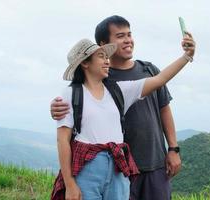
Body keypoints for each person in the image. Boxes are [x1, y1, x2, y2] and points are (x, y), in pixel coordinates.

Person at [51, 15, 195, 200]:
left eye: (129, 34)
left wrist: (186, 56)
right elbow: (62, 140)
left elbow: (160, 81)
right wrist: (70, 183)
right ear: (85, 63)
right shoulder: (73, 94)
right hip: (95, 168)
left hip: (125, 166)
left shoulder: (118, 89)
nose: (106, 61)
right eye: (101, 56)